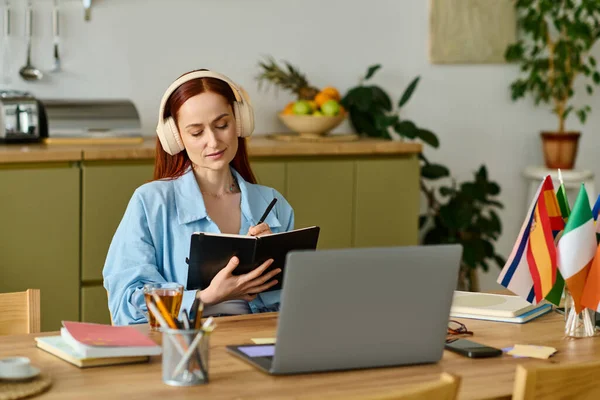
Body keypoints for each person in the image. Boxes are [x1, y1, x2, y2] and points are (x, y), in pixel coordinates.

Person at [103, 69, 294, 325]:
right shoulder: (150, 203)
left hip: (258, 344)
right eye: (196, 132)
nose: (213, 141)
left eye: (222, 125)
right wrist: (205, 297)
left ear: (240, 122)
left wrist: (273, 268)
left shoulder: (273, 204)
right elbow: (125, 307)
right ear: (176, 138)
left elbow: (294, 306)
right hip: (182, 348)